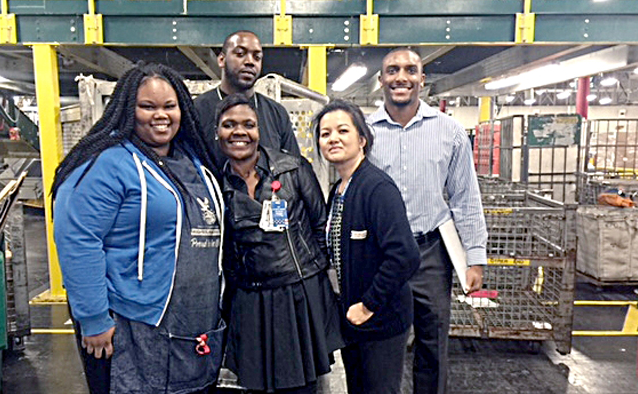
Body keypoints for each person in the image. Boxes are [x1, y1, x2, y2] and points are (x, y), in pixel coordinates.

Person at [52, 62, 225, 394]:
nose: (160, 115)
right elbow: (78, 239)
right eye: (147, 106)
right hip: (132, 327)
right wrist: (93, 318)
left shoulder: (192, 162)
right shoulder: (105, 163)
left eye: (169, 106)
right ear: (128, 109)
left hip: (193, 324)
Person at [367, 48, 488, 394]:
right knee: (381, 345)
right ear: (381, 81)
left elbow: (465, 196)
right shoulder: (365, 133)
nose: (400, 77)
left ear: (422, 79)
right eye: (392, 71)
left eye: (409, 70)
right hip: (381, 254)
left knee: (433, 342)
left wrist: (475, 257)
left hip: (431, 252)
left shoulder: (449, 131)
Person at [216, 93, 343, 394]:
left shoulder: (294, 169)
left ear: (259, 131)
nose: (239, 132)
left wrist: (316, 279)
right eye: (229, 125)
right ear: (217, 133)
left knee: (302, 388)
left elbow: (320, 225)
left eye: (248, 124)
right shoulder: (216, 185)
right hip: (250, 300)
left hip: (298, 294)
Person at [313, 100, 421, 394]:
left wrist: (368, 304)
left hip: (380, 320)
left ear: (362, 139)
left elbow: (405, 256)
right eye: (325, 134)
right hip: (354, 321)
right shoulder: (340, 190)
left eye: (342, 130)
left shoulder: (376, 188)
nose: (333, 138)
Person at [194, 30, 301, 177]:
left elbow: (293, 167)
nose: (250, 61)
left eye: (257, 57)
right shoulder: (197, 110)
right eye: (240, 54)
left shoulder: (276, 113)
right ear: (221, 60)